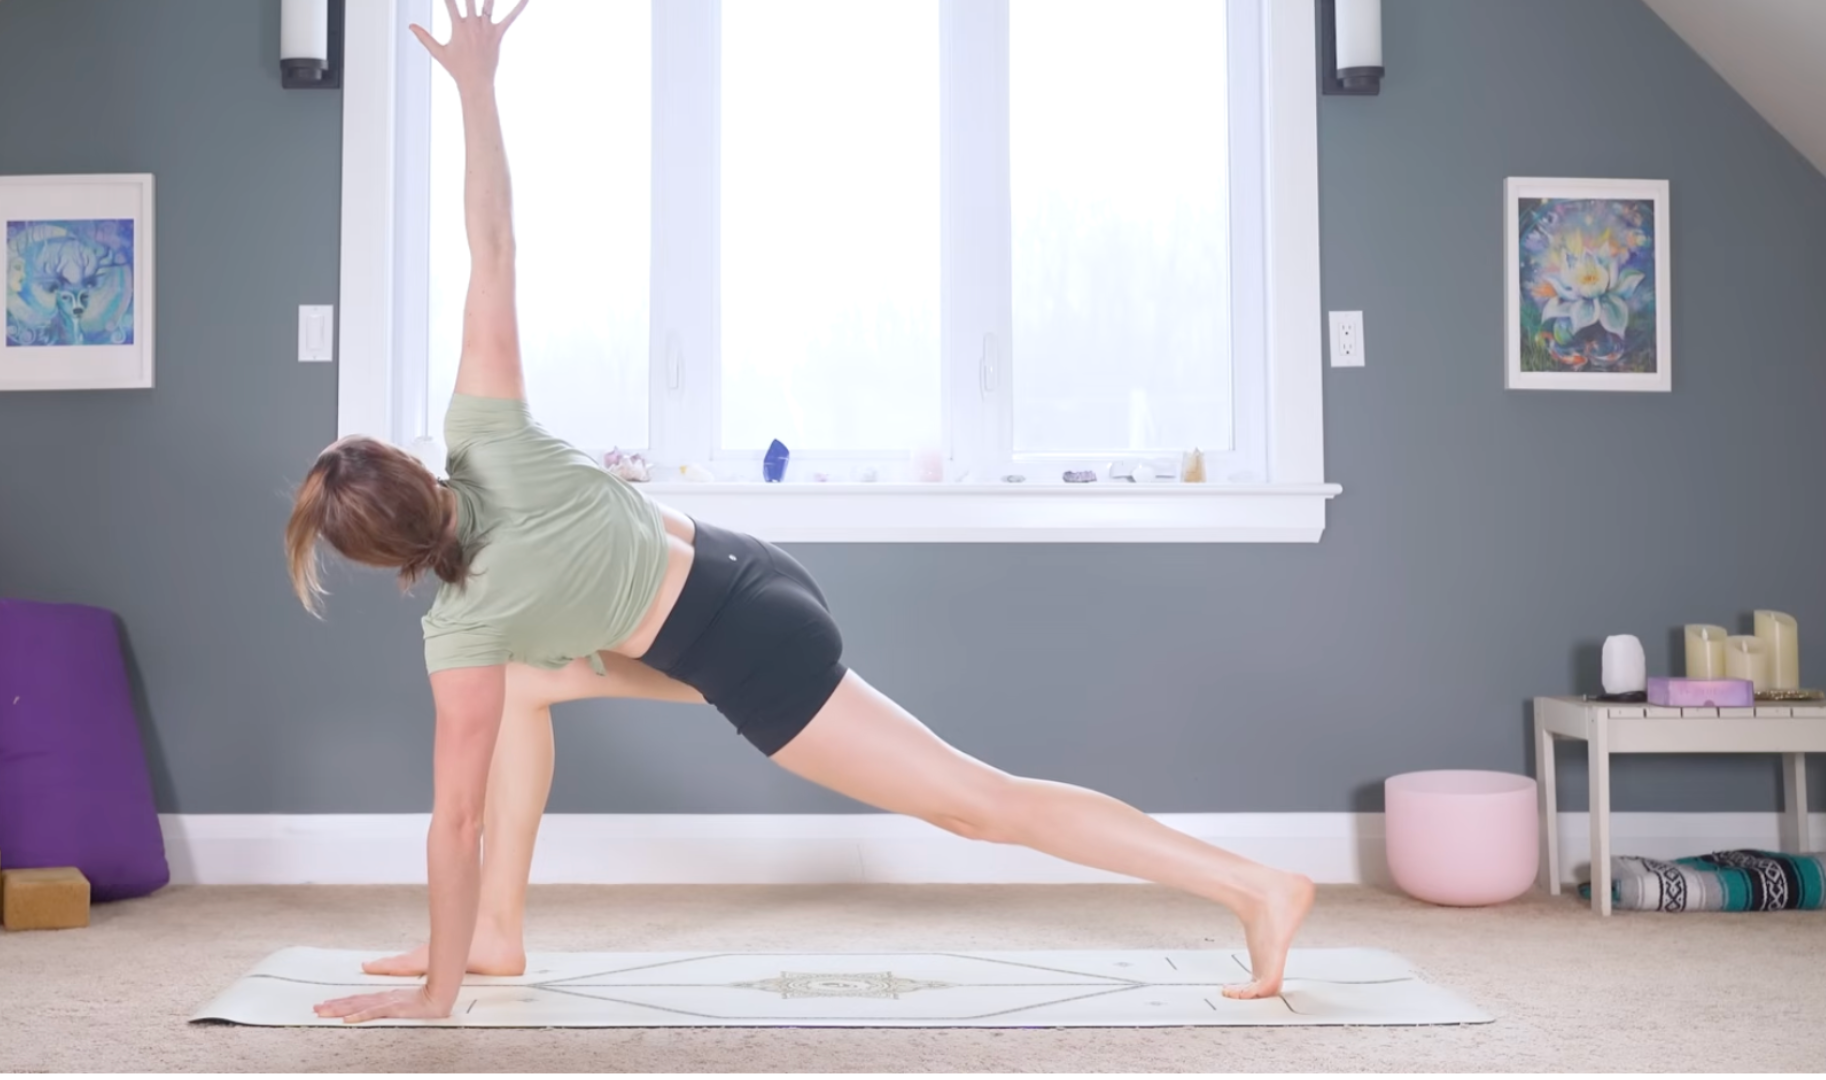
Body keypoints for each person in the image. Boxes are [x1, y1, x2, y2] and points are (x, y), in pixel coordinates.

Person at [290, 0, 1312, 1025]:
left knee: (977, 803)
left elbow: (452, 817)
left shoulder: (460, 629)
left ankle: (1256, 887)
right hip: (744, 574)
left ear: (382, 560)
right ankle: (498, 938)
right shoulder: (487, 433)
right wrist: (475, 87)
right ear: (416, 470)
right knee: (523, 692)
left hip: (746, 653)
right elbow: (493, 244)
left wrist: (433, 998)